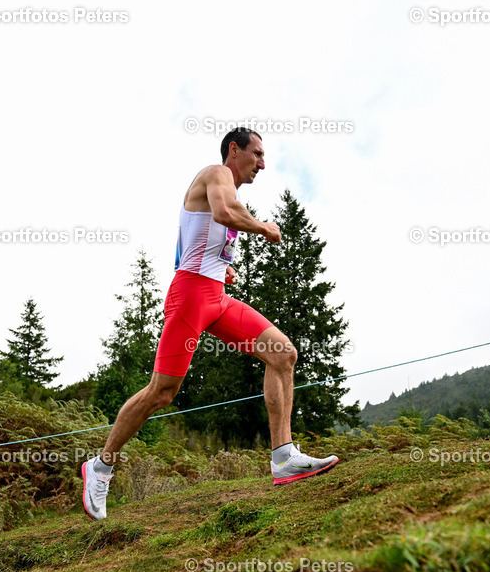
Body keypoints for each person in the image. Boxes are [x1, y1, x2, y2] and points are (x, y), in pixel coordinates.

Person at [81, 127, 338, 520]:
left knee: (283, 354)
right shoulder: (216, 174)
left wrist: (222, 268)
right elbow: (223, 213)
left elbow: (191, 242)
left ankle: (283, 457)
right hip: (189, 299)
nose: (263, 164)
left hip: (215, 297)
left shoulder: (226, 191)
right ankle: (100, 467)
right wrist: (264, 227)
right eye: (257, 154)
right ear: (234, 150)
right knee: (161, 393)